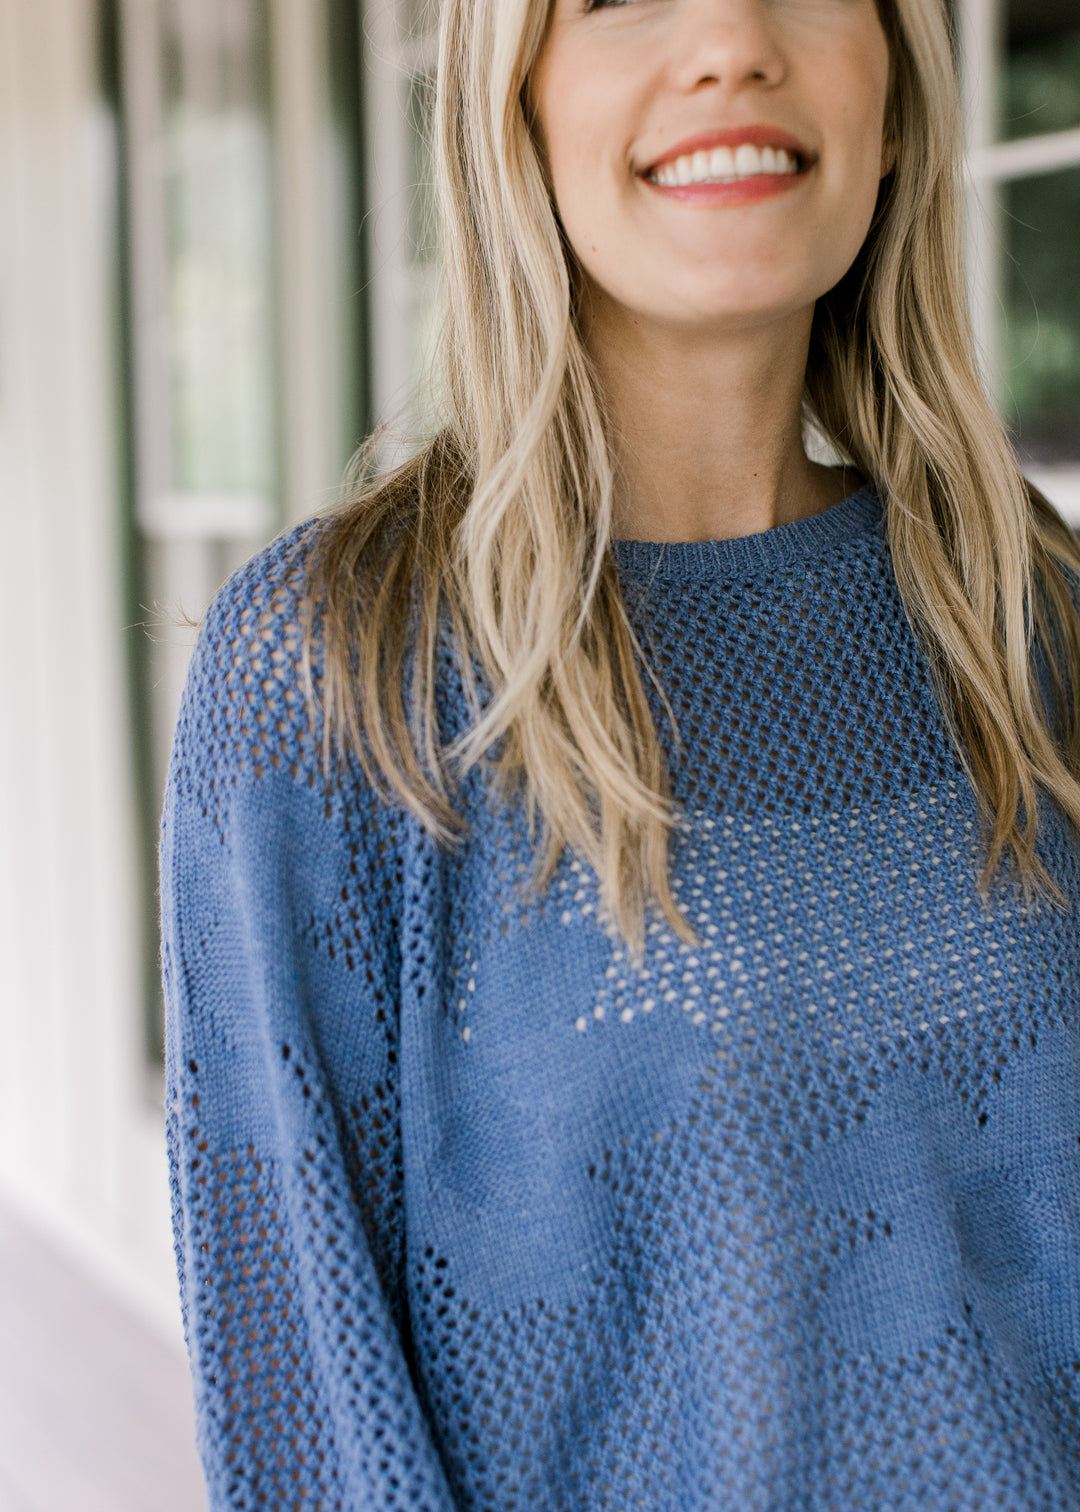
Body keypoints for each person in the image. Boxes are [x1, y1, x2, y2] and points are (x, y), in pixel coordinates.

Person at [161, 0, 1080, 1506]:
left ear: (898, 94)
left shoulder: (1036, 617)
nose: (728, 38)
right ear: (509, 103)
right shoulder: (339, 676)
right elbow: (312, 1425)